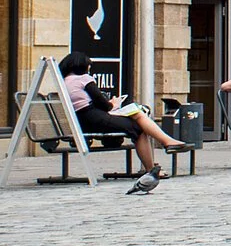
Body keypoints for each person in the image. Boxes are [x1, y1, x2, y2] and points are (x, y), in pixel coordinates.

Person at [59, 53, 189, 191]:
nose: (89, 69)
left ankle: (165, 145)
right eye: (88, 66)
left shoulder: (65, 81)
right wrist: (114, 103)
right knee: (138, 127)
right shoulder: (84, 79)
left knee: (137, 117)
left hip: (83, 121)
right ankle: (157, 157)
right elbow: (103, 105)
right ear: (81, 65)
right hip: (95, 118)